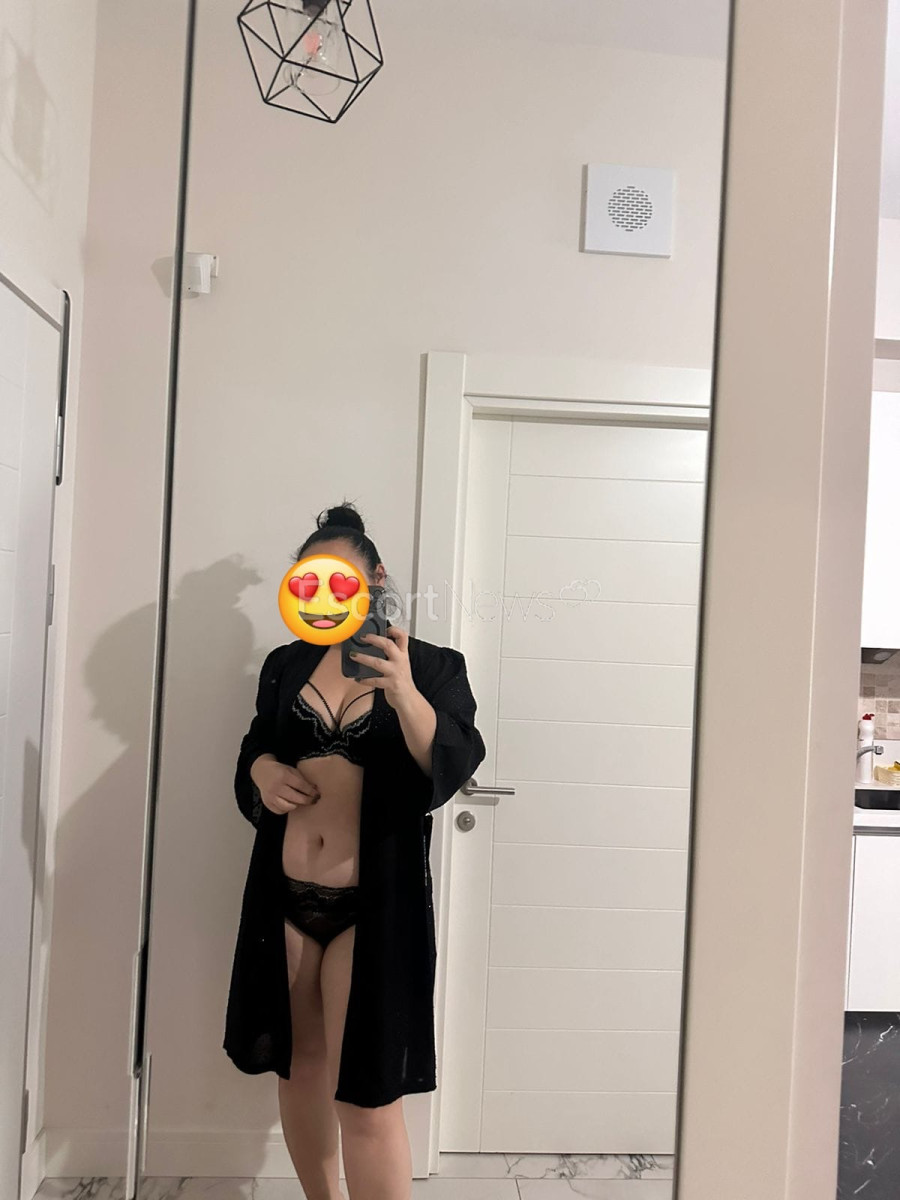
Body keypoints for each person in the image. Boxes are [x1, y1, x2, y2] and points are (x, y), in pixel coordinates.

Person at [224, 501, 487, 1200]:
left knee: (366, 1098)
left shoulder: (431, 666)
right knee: (301, 1071)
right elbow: (257, 744)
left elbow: (453, 760)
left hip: (374, 907)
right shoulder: (285, 665)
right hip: (283, 898)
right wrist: (262, 771)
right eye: (309, 579)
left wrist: (402, 690)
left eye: (339, 579)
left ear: (375, 579)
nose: (324, 593)